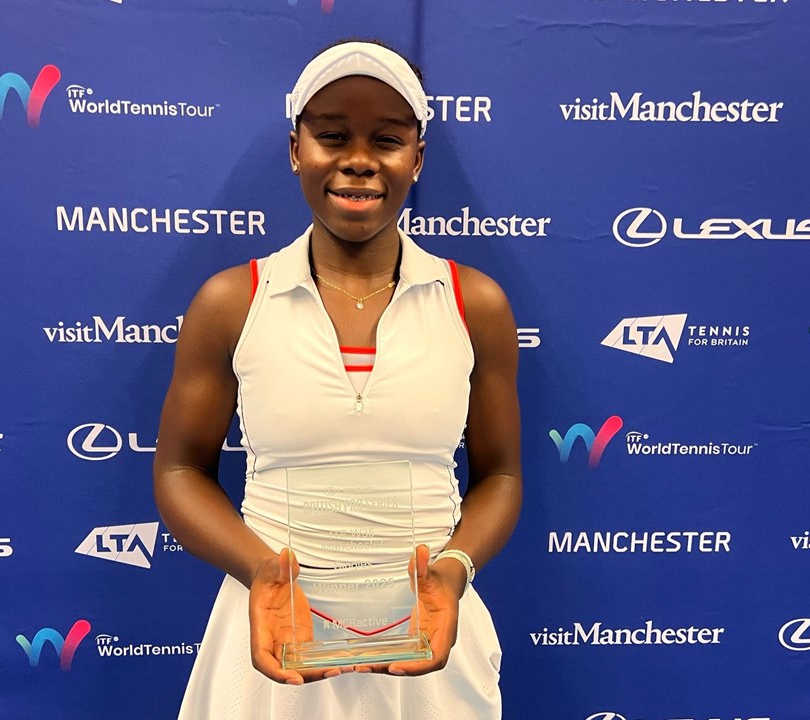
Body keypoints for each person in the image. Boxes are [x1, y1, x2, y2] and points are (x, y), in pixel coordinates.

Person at [153, 39, 522, 719]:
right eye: (331, 135)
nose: (358, 159)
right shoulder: (232, 301)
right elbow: (178, 472)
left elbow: (500, 477)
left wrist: (453, 571)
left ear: (417, 157)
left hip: (431, 645)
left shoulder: (476, 304)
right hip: (270, 638)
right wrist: (263, 572)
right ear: (296, 149)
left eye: (386, 138)